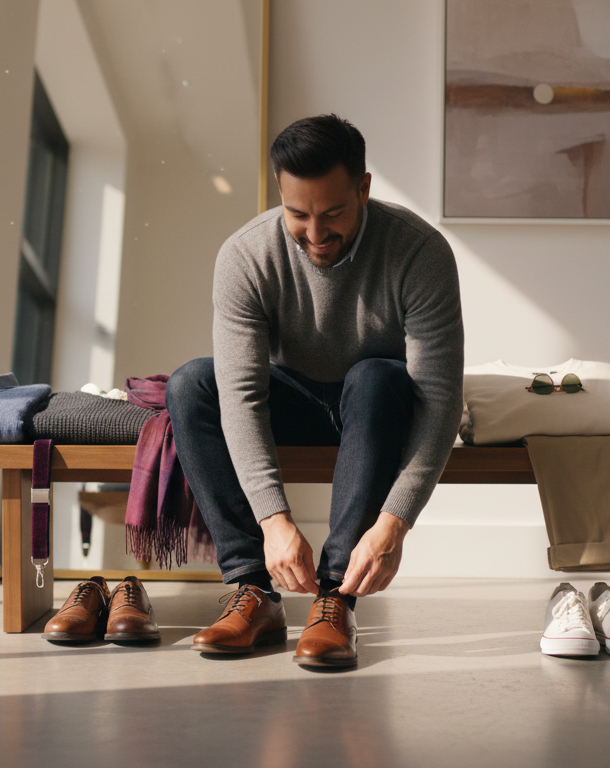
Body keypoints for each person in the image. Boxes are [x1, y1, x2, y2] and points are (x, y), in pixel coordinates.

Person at [166, 114, 464, 668]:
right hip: (295, 400)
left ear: (364, 188)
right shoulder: (245, 255)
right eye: (297, 214)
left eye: (332, 214)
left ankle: (335, 599)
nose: (315, 233)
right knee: (190, 385)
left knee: (376, 376)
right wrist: (273, 522)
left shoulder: (420, 251)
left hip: (376, 405)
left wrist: (393, 524)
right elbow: (241, 395)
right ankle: (252, 591)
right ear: (280, 195)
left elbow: (440, 401)